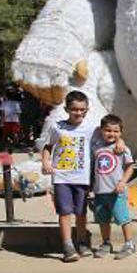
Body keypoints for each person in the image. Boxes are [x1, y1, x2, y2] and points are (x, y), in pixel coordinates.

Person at [41, 91, 99, 262]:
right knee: (65, 212)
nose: (78, 113)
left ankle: (81, 242)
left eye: (82, 109)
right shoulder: (57, 127)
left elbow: (109, 137)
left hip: (82, 177)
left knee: (81, 212)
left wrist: (120, 142)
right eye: (74, 109)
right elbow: (48, 146)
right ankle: (67, 245)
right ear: (67, 109)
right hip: (62, 178)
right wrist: (45, 162)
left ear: (87, 109)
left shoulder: (92, 129)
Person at [90, 114, 136, 260]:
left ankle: (129, 243)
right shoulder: (96, 146)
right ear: (101, 130)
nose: (112, 134)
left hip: (116, 192)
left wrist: (123, 182)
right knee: (103, 220)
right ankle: (106, 243)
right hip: (99, 192)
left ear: (121, 132)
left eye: (116, 131)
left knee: (123, 218)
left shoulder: (123, 149)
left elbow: (130, 167)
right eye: (108, 130)